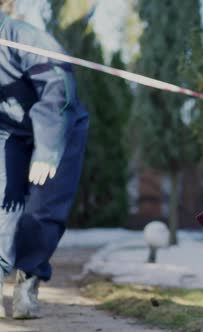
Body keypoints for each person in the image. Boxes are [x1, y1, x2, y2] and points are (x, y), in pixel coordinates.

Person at [0, 1, 89, 319]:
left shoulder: (24, 38)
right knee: (3, 201)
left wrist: (48, 148)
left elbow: (58, 88)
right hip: (8, 131)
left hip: (59, 126)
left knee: (42, 209)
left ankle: (28, 277)